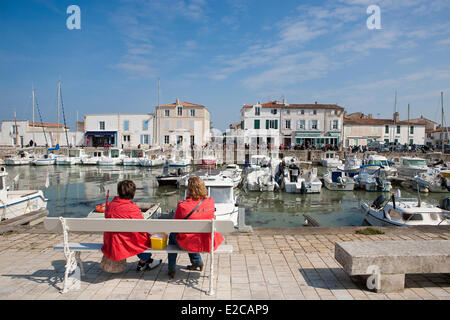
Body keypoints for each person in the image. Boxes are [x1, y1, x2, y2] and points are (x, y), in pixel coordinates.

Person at [167, 176, 224, 279]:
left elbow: (175, 225)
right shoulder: (210, 202)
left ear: (189, 189)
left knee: (174, 236)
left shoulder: (183, 206)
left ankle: (171, 268)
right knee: (192, 236)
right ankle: (196, 262)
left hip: (191, 243)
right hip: (208, 242)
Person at [101, 180, 162, 272]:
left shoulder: (111, 206)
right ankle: (144, 261)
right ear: (132, 193)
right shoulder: (132, 208)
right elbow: (141, 225)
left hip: (112, 240)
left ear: (119, 191)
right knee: (144, 238)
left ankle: (146, 261)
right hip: (124, 241)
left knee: (137, 236)